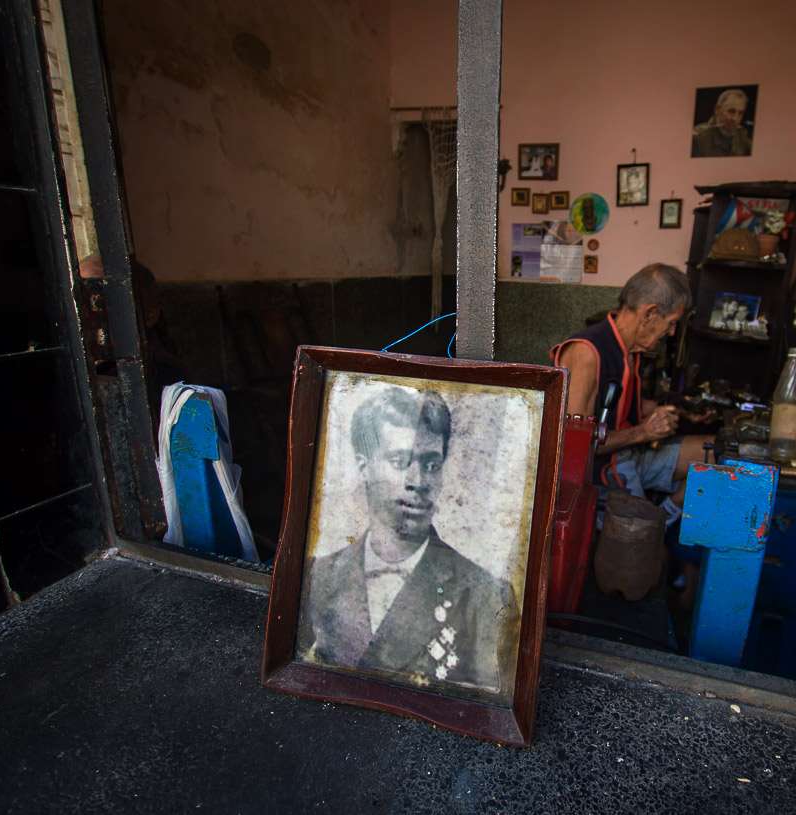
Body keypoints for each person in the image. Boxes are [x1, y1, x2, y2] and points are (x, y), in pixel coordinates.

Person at [297, 387, 515, 691]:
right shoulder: (316, 576)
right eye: (400, 461)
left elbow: (488, 712)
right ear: (364, 467)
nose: (418, 482)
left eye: (431, 465)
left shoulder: (486, 598)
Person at [550, 264, 711, 527]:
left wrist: (681, 411)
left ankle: (662, 517)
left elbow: (623, 409)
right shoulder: (587, 353)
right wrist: (644, 432)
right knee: (639, 547)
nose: (671, 333)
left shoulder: (629, 350)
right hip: (602, 471)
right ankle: (657, 524)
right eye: (671, 324)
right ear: (650, 314)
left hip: (631, 453)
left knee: (712, 455)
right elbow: (573, 445)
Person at [691, 88, 753, 158]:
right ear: (717, 109)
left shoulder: (742, 136)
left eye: (740, 113)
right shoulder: (698, 138)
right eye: (731, 111)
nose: (735, 118)